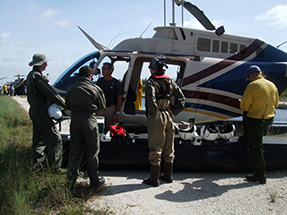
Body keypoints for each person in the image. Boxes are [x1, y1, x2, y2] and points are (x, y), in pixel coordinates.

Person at [143, 56, 185, 186]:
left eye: (150, 67)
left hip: (158, 117)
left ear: (154, 68)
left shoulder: (151, 82)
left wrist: (152, 113)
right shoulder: (170, 81)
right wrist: (175, 110)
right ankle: (168, 175)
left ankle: (154, 179)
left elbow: (151, 99)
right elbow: (181, 98)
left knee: (156, 147)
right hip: (168, 116)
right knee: (169, 146)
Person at [65, 66, 106, 189]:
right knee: (92, 152)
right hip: (90, 122)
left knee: (74, 151)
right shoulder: (95, 89)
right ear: (90, 76)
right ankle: (94, 181)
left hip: (75, 122)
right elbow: (102, 106)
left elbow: (67, 105)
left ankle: (71, 180)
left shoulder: (70, 89)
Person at [26, 53, 66, 171]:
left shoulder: (30, 75)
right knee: (55, 139)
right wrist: (64, 105)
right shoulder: (37, 77)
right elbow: (51, 93)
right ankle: (55, 168)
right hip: (41, 111)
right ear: (40, 64)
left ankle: (36, 166)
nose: (46, 65)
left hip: (34, 110)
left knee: (39, 140)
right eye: (45, 63)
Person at [240, 65, 279, 184]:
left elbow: (244, 106)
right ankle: (248, 137)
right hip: (268, 119)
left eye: (250, 77)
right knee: (256, 137)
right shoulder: (272, 85)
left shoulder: (252, 86)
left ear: (251, 75)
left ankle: (260, 175)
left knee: (256, 148)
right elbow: (276, 104)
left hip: (256, 120)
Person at [96, 62, 124, 133]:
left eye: (104, 69)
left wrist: (117, 112)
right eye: (102, 68)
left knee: (108, 130)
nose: (102, 70)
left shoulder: (116, 83)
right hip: (100, 108)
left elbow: (119, 98)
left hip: (110, 109)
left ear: (110, 71)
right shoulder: (100, 81)